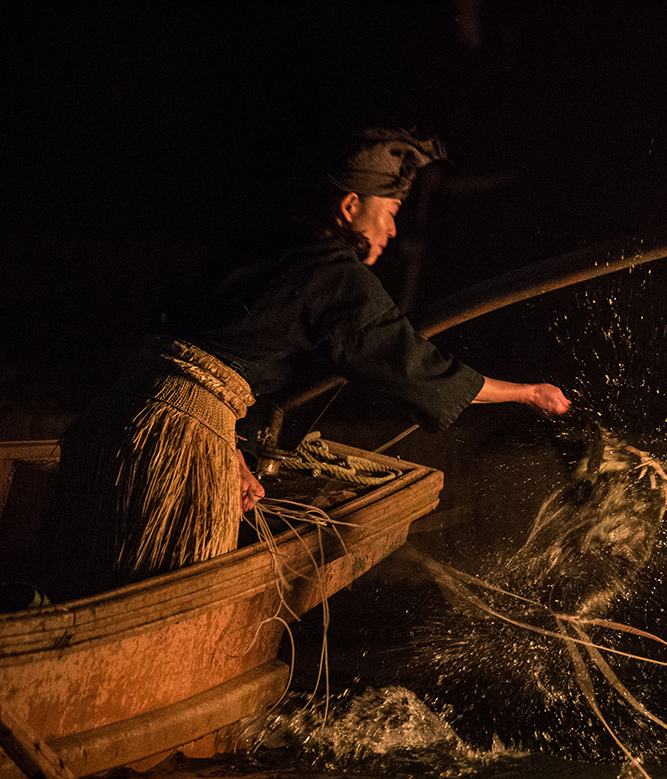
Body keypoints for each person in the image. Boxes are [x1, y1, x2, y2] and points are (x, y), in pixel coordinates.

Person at [45, 127, 569, 598]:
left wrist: (228, 451)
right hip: (178, 430)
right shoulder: (335, 278)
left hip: (115, 416)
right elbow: (415, 367)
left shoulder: (267, 246)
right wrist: (529, 393)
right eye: (387, 214)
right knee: (161, 587)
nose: (390, 232)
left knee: (91, 570)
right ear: (349, 207)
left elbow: (202, 354)